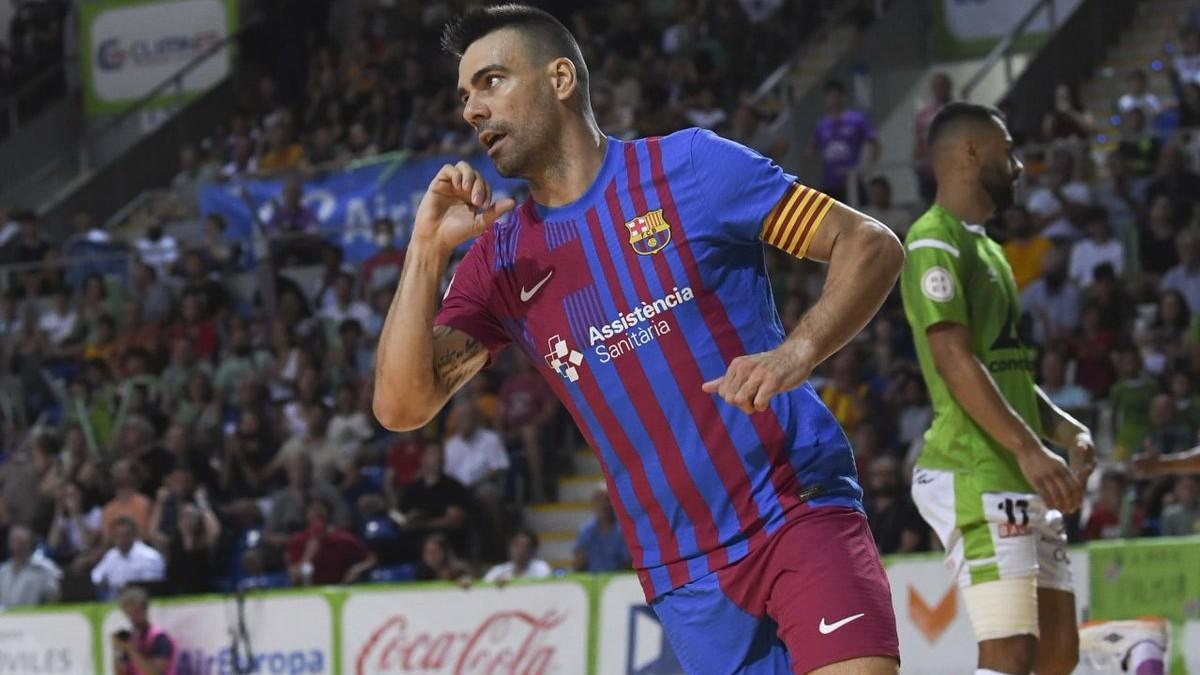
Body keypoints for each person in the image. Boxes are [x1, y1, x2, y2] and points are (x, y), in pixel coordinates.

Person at [373, 5, 903, 673]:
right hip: (682, 570)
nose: (472, 109)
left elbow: (870, 244)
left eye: (492, 81)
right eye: (464, 95)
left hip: (796, 506)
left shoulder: (691, 168)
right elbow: (400, 406)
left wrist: (796, 352)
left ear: (561, 78)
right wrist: (425, 251)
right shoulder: (500, 260)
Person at [899, 102, 1094, 675]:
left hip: (1014, 467)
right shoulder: (933, 241)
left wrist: (1063, 429)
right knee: (1008, 654)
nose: (1017, 167)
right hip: (973, 471)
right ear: (970, 152)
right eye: (1007, 151)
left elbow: (1008, 374)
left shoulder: (990, 251)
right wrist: (1030, 448)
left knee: (1058, 655)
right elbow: (954, 360)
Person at [811, 79, 880, 203]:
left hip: (851, 179)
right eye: (830, 95)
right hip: (830, 182)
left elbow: (874, 143)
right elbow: (813, 150)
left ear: (843, 96)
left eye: (836, 94)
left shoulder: (856, 120)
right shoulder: (822, 125)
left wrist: (867, 168)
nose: (833, 99)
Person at [286, 496, 376, 586]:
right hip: (310, 593)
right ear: (307, 514)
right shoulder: (298, 540)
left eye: (321, 509)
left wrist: (357, 569)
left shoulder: (343, 539)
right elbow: (294, 577)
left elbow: (371, 559)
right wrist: (308, 555)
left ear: (328, 513)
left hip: (340, 590)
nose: (317, 513)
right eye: (313, 510)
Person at [91, 517, 166, 597]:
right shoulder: (111, 555)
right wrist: (102, 581)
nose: (121, 540)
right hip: (115, 600)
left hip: (142, 600)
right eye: (117, 536)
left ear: (134, 535)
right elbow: (96, 575)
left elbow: (152, 585)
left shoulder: (150, 557)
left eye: (125, 535)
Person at [111, 585, 177, 675]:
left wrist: (130, 649)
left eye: (135, 612)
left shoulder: (160, 638)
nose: (132, 617)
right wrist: (117, 651)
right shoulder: (132, 638)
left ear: (144, 609)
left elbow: (155, 672)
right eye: (128, 613)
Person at [914, 72, 953, 204]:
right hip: (928, 170)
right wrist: (915, 159)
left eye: (942, 86)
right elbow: (918, 138)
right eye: (936, 86)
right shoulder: (924, 114)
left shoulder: (959, 111)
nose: (939, 90)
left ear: (948, 87)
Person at [0, 525, 60, 607]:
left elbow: (53, 598)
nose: (18, 546)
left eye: (21, 542)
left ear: (30, 543)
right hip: (6, 617)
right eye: (14, 540)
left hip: (33, 617)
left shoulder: (44, 568)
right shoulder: (3, 570)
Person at [573, 488, 631, 572]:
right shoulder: (586, 531)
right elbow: (578, 564)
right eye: (599, 500)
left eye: (607, 500)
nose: (604, 505)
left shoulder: (624, 530)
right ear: (592, 504)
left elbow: (630, 564)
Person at [1067, 206, 1123, 287]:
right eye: (1093, 224)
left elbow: (1118, 275)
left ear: (1106, 224)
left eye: (1100, 223)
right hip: (1085, 292)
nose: (1097, 227)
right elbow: (1073, 278)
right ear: (1088, 227)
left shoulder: (1118, 247)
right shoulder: (1079, 248)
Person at [482, 528, 552, 584]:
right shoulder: (497, 571)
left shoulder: (541, 568)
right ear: (510, 547)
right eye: (516, 545)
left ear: (532, 550)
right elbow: (483, 589)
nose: (520, 551)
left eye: (525, 546)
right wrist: (495, 584)